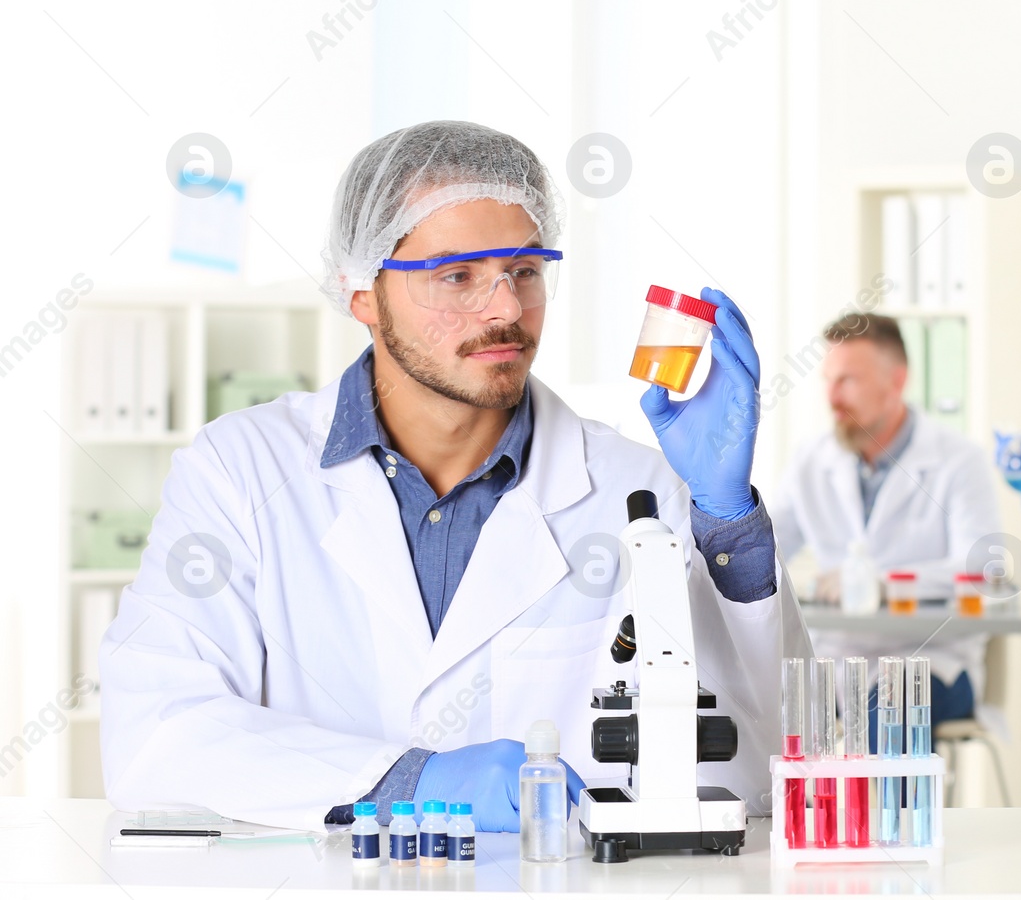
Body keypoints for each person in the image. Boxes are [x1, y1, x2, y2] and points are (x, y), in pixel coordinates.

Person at [98, 120, 807, 832]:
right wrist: (409, 781)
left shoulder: (642, 491)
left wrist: (728, 520)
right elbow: (155, 733)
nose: (505, 309)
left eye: (525, 270)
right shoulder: (241, 472)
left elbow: (758, 766)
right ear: (362, 294)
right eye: (457, 275)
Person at [771, 313, 1001, 738]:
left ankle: (896, 810)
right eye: (828, 380)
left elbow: (981, 570)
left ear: (896, 381)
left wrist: (882, 583)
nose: (833, 397)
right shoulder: (811, 460)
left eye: (848, 381)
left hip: (931, 660)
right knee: (755, 712)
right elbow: (764, 550)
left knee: (884, 713)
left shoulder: (958, 460)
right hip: (838, 660)